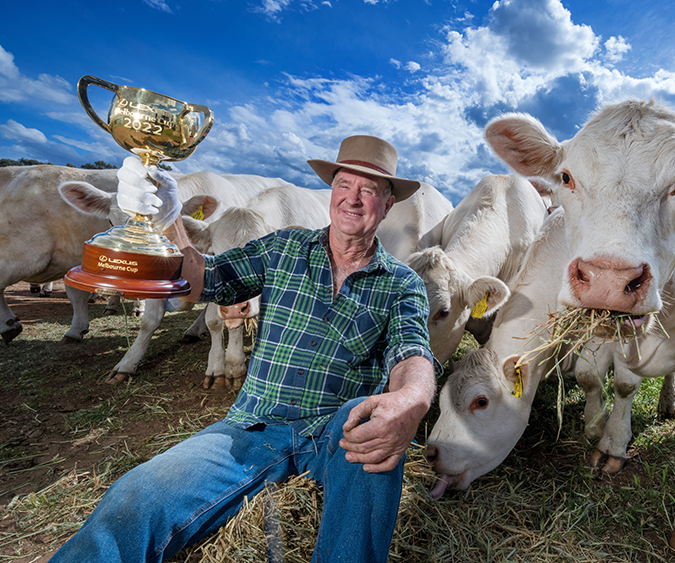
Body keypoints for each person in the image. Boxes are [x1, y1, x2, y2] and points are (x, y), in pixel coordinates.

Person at [50, 135, 437, 563]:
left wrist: (410, 399)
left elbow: (411, 351)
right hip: (254, 426)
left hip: (336, 434)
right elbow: (203, 281)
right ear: (332, 193)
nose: (353, 200)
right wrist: (170, 217)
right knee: (135, 496)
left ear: (387, 206)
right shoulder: (282, 249)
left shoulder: (402, 283)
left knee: (374, 428)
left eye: (369, 191)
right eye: (344, 186)